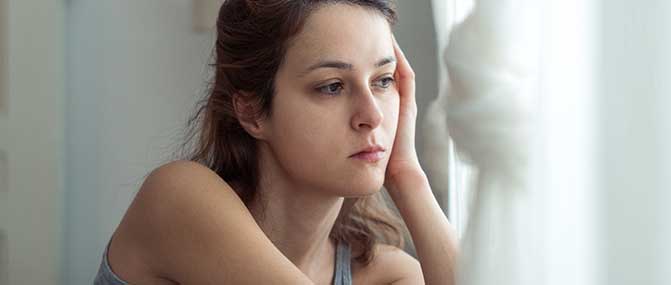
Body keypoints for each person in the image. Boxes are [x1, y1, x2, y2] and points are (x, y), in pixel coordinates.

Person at [93, 0, 457, 284]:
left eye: (383, 80)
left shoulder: (384, 273)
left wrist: (408, 177)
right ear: (253, 112)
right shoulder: (177, 198)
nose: (373, 115)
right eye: (332, 86)